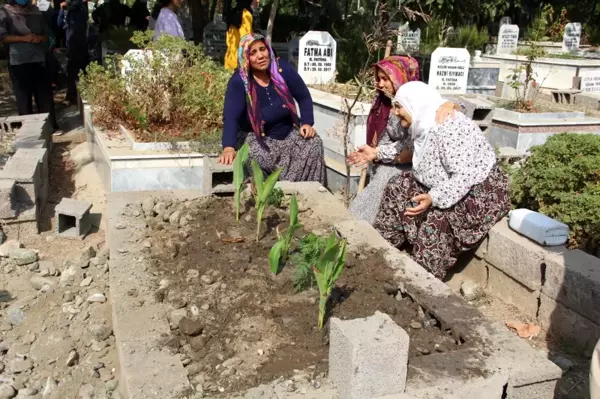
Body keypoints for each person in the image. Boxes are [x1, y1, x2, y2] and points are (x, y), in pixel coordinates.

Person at [373, 81, 510, 279]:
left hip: (477, 191)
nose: (394, 112)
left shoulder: (448, 127)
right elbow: (405, 147)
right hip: (441, 184)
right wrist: (376, 152)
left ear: (414, 104)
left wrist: (433, 197)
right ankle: (382, 248)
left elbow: (465, 175)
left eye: (399, 106)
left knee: (438, 218)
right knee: (398, 186)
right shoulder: (422, 122)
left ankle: (420, 280)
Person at [347, 56, 460, 225]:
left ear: (400, 77)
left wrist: (451, 104)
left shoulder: (418, 102)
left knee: (386, 177)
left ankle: (362, 225)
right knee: (381, 173)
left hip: (417, 162)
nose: (380, 84)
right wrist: (375, 153)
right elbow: (388, 139)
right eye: (378, 78)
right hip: (396, 155)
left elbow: (411, 147)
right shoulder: (386, 103)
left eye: (386, 79)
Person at [218, 33, 324, 184]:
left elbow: (304, 97)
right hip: (256, 136)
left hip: (287, 132)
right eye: (253, 53)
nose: (260, 56)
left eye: (263, 49)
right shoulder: (239, 81)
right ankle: (269, 196)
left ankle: (303, 193)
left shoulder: (282, 69)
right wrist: (229, 147)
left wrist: (307, 122)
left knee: (313, 144)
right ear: (245, 57)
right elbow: (231, 117)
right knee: (256, 156)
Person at [0, 0, 59, 130]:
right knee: (23, 97)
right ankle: (29, 129)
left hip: (39, 59)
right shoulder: (5, 12)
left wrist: (39, 38)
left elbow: (47, 35)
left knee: (44, 95)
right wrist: (23, 38)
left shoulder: (36, 11)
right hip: (18, 61)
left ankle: (50, 127)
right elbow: (3, 37)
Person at [57, 0, 88, 109]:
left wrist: (62, 10)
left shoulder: (73, 10)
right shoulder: (81, 8)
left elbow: (60, 24)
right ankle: (75, 95)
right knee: (80, 71)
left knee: (73, 71)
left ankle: (72, 96)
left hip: (75, 45)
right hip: (79, 44)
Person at [223, 0, 253, 70]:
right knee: (234, 43)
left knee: (245, 42)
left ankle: (244, 68)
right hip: (236, 15)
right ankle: (231, 68)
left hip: (240, 14)